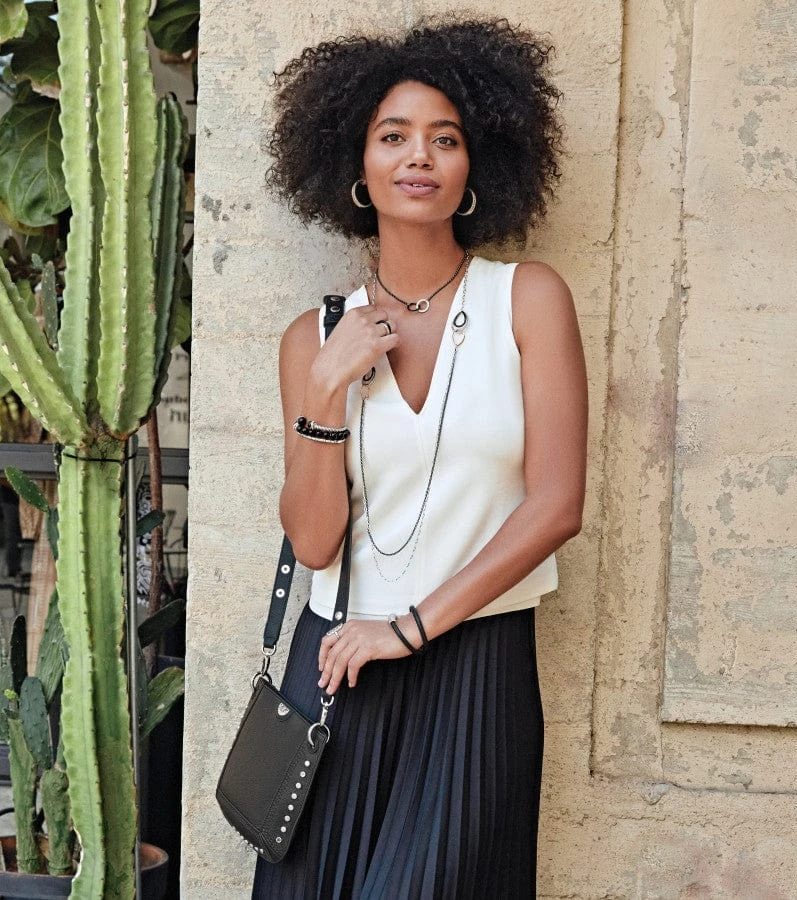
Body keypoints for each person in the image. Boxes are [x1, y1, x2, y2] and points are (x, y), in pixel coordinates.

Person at [252, 17, 587, 899]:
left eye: (446, 138)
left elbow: (558, 505)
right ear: (355, 165)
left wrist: (409, 629)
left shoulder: (528, 299)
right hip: (338, 669)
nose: (419, 157)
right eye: (393, 136)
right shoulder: (313, 339)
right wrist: (327, 390)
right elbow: (314, 543)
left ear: (477, 166)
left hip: (477, 669)